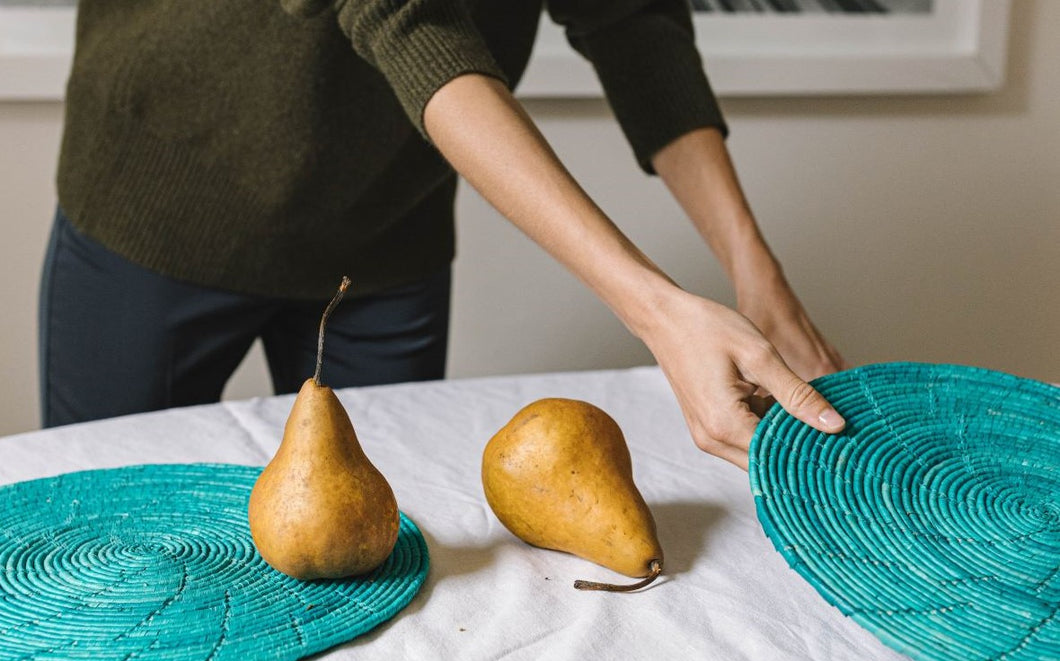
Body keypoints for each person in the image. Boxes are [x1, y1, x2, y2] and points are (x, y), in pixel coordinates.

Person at [40, 0, 846, 468]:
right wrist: (661, 311)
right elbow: (408, 21)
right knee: (105, 548)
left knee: (387, 557)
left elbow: (630, 19)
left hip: (386, 236)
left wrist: (755, 272)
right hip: (165, 208)